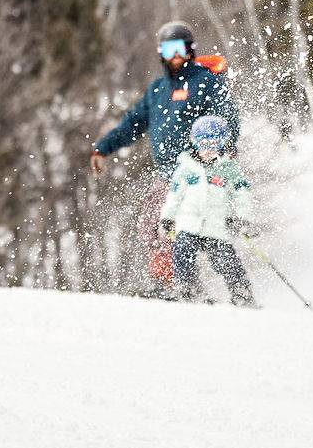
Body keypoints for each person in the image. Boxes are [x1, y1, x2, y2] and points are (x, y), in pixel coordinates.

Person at [89, 20, 239, 292]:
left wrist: (224, 146)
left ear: (190, 50)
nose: (175, 56)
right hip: (167, 175)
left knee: (203, 232)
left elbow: (228, 116)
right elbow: (132, 124)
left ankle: (224, 287)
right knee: (152, 224)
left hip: (199, 173)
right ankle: (172, 284)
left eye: (180, 48)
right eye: (169, 49)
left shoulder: (205, 82)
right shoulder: (157, 90)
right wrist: (103, 148)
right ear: (161, 52)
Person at [160, 114, 256, 306]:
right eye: (203, 144)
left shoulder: (228, 168)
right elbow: (174, 195)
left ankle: (241, 292)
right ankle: (188, 288)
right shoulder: (186, 168)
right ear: (195, 143)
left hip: (216, 224)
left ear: (222, 144)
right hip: (188, 223)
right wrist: (167, 217)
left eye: (214, 144)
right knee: (182, 252)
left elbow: (242, 194)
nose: (208, 150)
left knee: (226, 260)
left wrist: (243, 218)